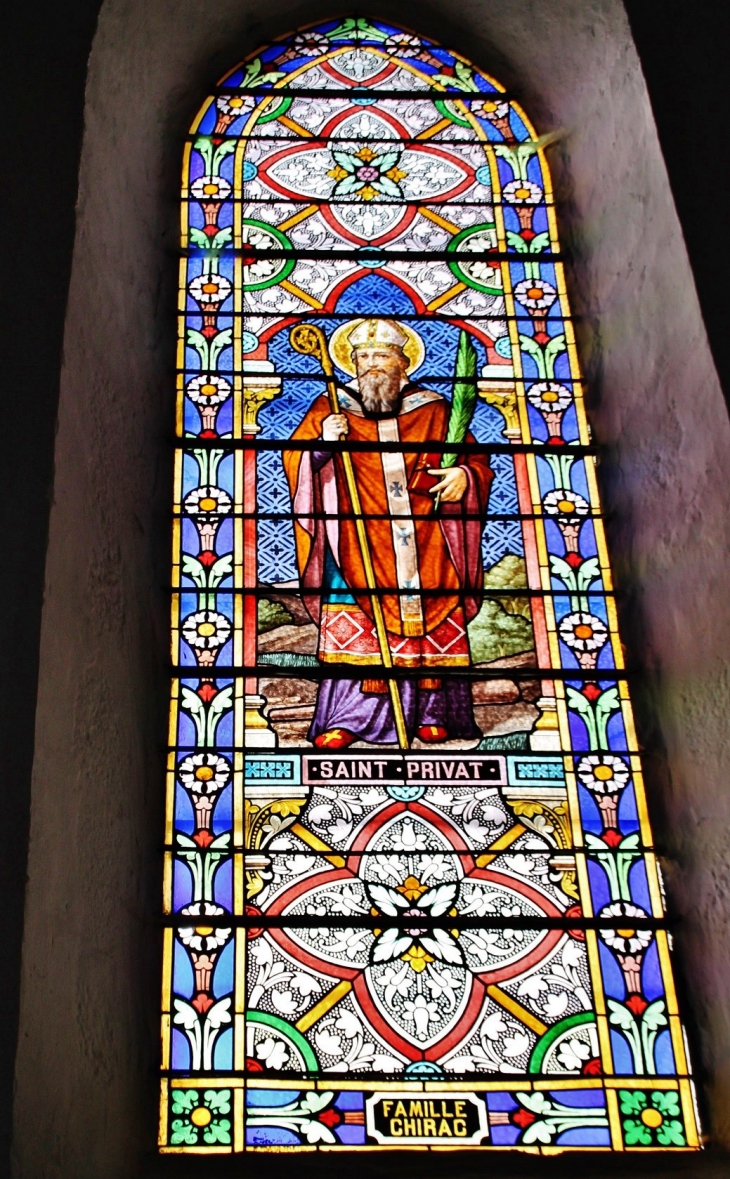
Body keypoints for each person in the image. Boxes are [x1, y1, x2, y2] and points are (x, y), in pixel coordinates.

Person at [282, 317, 493, 748]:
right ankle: (349, 718)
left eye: (382, 355)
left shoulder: (434, 410)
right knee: (355, 618)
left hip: (428, 539)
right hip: (354, 540)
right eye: (363, 357)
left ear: (404, 363)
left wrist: (464, 476)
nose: (372, 365)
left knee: (433, 609)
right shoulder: (331, 407)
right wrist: (322, 444)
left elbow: (474, 461)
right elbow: (297, 462)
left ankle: (433, 713)